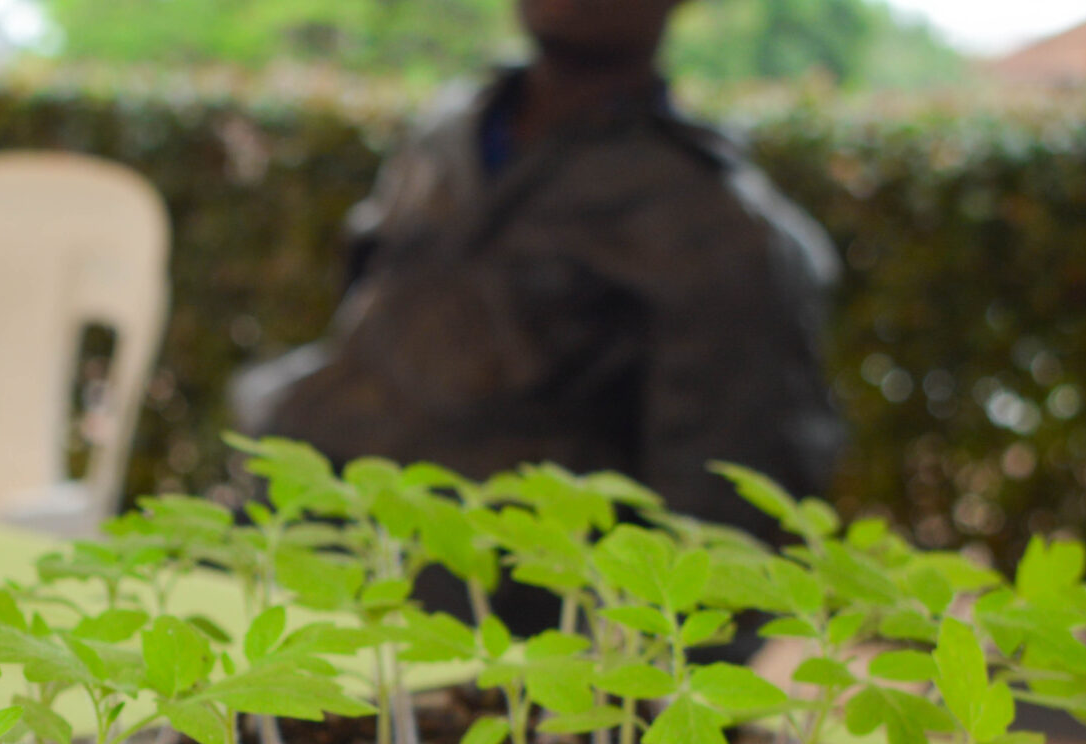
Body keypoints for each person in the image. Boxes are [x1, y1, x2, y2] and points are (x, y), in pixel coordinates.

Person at [233, 0, 843, 630]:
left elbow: (725, 543)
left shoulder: (724, 233)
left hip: (484, 645)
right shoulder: (445, 136)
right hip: (297, 559)